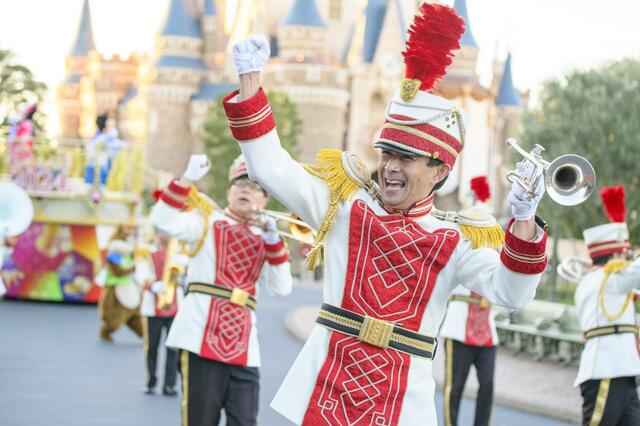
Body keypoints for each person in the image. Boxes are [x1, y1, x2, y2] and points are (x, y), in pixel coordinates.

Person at [221, 4, 548, 425]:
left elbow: (511, 294)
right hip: (326, 393)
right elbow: (271, 168)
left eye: (406, 158)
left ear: (440, 172)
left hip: (402, 407)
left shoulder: (458, 239)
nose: (391, 167)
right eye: (387, 154)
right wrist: (250, 82)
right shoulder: (345, 205)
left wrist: (524, 221)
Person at [150, 155, 293, 426]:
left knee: (245, 421)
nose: (245, 190)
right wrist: (186, 180)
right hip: (200, 336)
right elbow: (162, 222)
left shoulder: (267, 237)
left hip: (244, 346)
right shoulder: (205, 221)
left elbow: (282, 287)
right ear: (229, 191)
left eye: (254, 186)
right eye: (239, 184)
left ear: (265, 199)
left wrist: (273, 240)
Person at [574, 185, 640, 425]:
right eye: (624, 254)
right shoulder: (608, 279)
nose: (627, 260)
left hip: (623, 371)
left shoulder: (601, 280)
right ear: (613, 256)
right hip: (606, 370)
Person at [439, 176, 499, 426]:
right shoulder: (460, 246)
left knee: (487, 386)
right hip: (458, 329)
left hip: (487, 332)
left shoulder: (494, 251)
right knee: (454, 388)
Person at [137, 230, 188, 396]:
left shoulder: (180, 254)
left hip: (175, 308)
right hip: (153, 308)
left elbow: (188, 277)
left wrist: (182, 274)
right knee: (151, 346)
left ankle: (170, 384)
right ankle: (151, 381)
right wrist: (152, 285)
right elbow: (141, 274)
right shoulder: (147, 252)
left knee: (173, 347)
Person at [97, 225, 144, 342]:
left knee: (134, 313)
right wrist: (131, 268)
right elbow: (118, 271)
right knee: (114, 315)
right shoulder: (115, 252)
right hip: (115, 287)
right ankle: (106, 330)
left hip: (128, 286)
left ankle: (144, 333)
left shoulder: (130, 252)